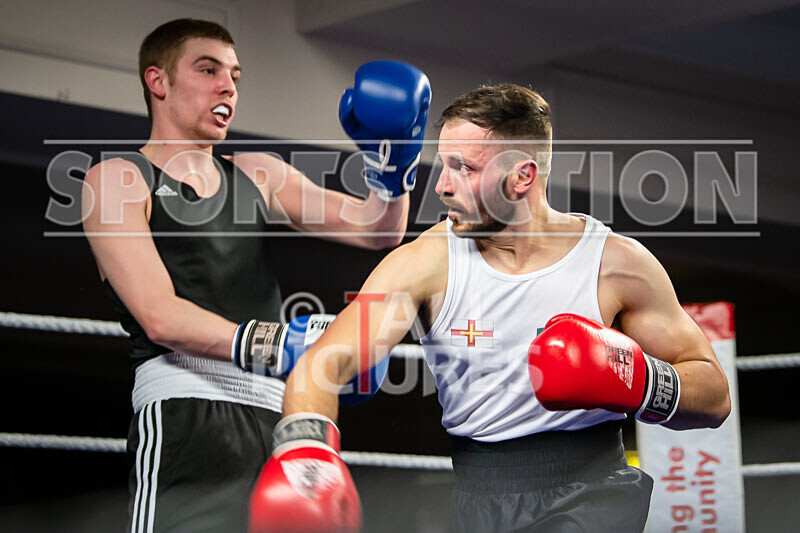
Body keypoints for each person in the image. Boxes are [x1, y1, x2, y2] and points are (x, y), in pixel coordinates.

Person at [248, 83, 732, 533]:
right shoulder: (426, 263)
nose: (441, 186)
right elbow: (322, 364)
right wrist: (305, 454)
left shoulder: (615, 264)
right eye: (443, 166)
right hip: (480, 497)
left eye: (465, 168)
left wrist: (637, 377)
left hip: (594, 492)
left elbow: (714, 396)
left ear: (523, 175)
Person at [80, 18, 430, 533]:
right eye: (207, 69)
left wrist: (393, 167)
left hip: (277, 415)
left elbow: (376, 230)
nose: (228, 87)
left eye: (235, 76)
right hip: (185, 410)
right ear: (158, 82)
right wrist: (286, 347)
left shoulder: (258, 173)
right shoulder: (116, 180)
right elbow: (159, 316)